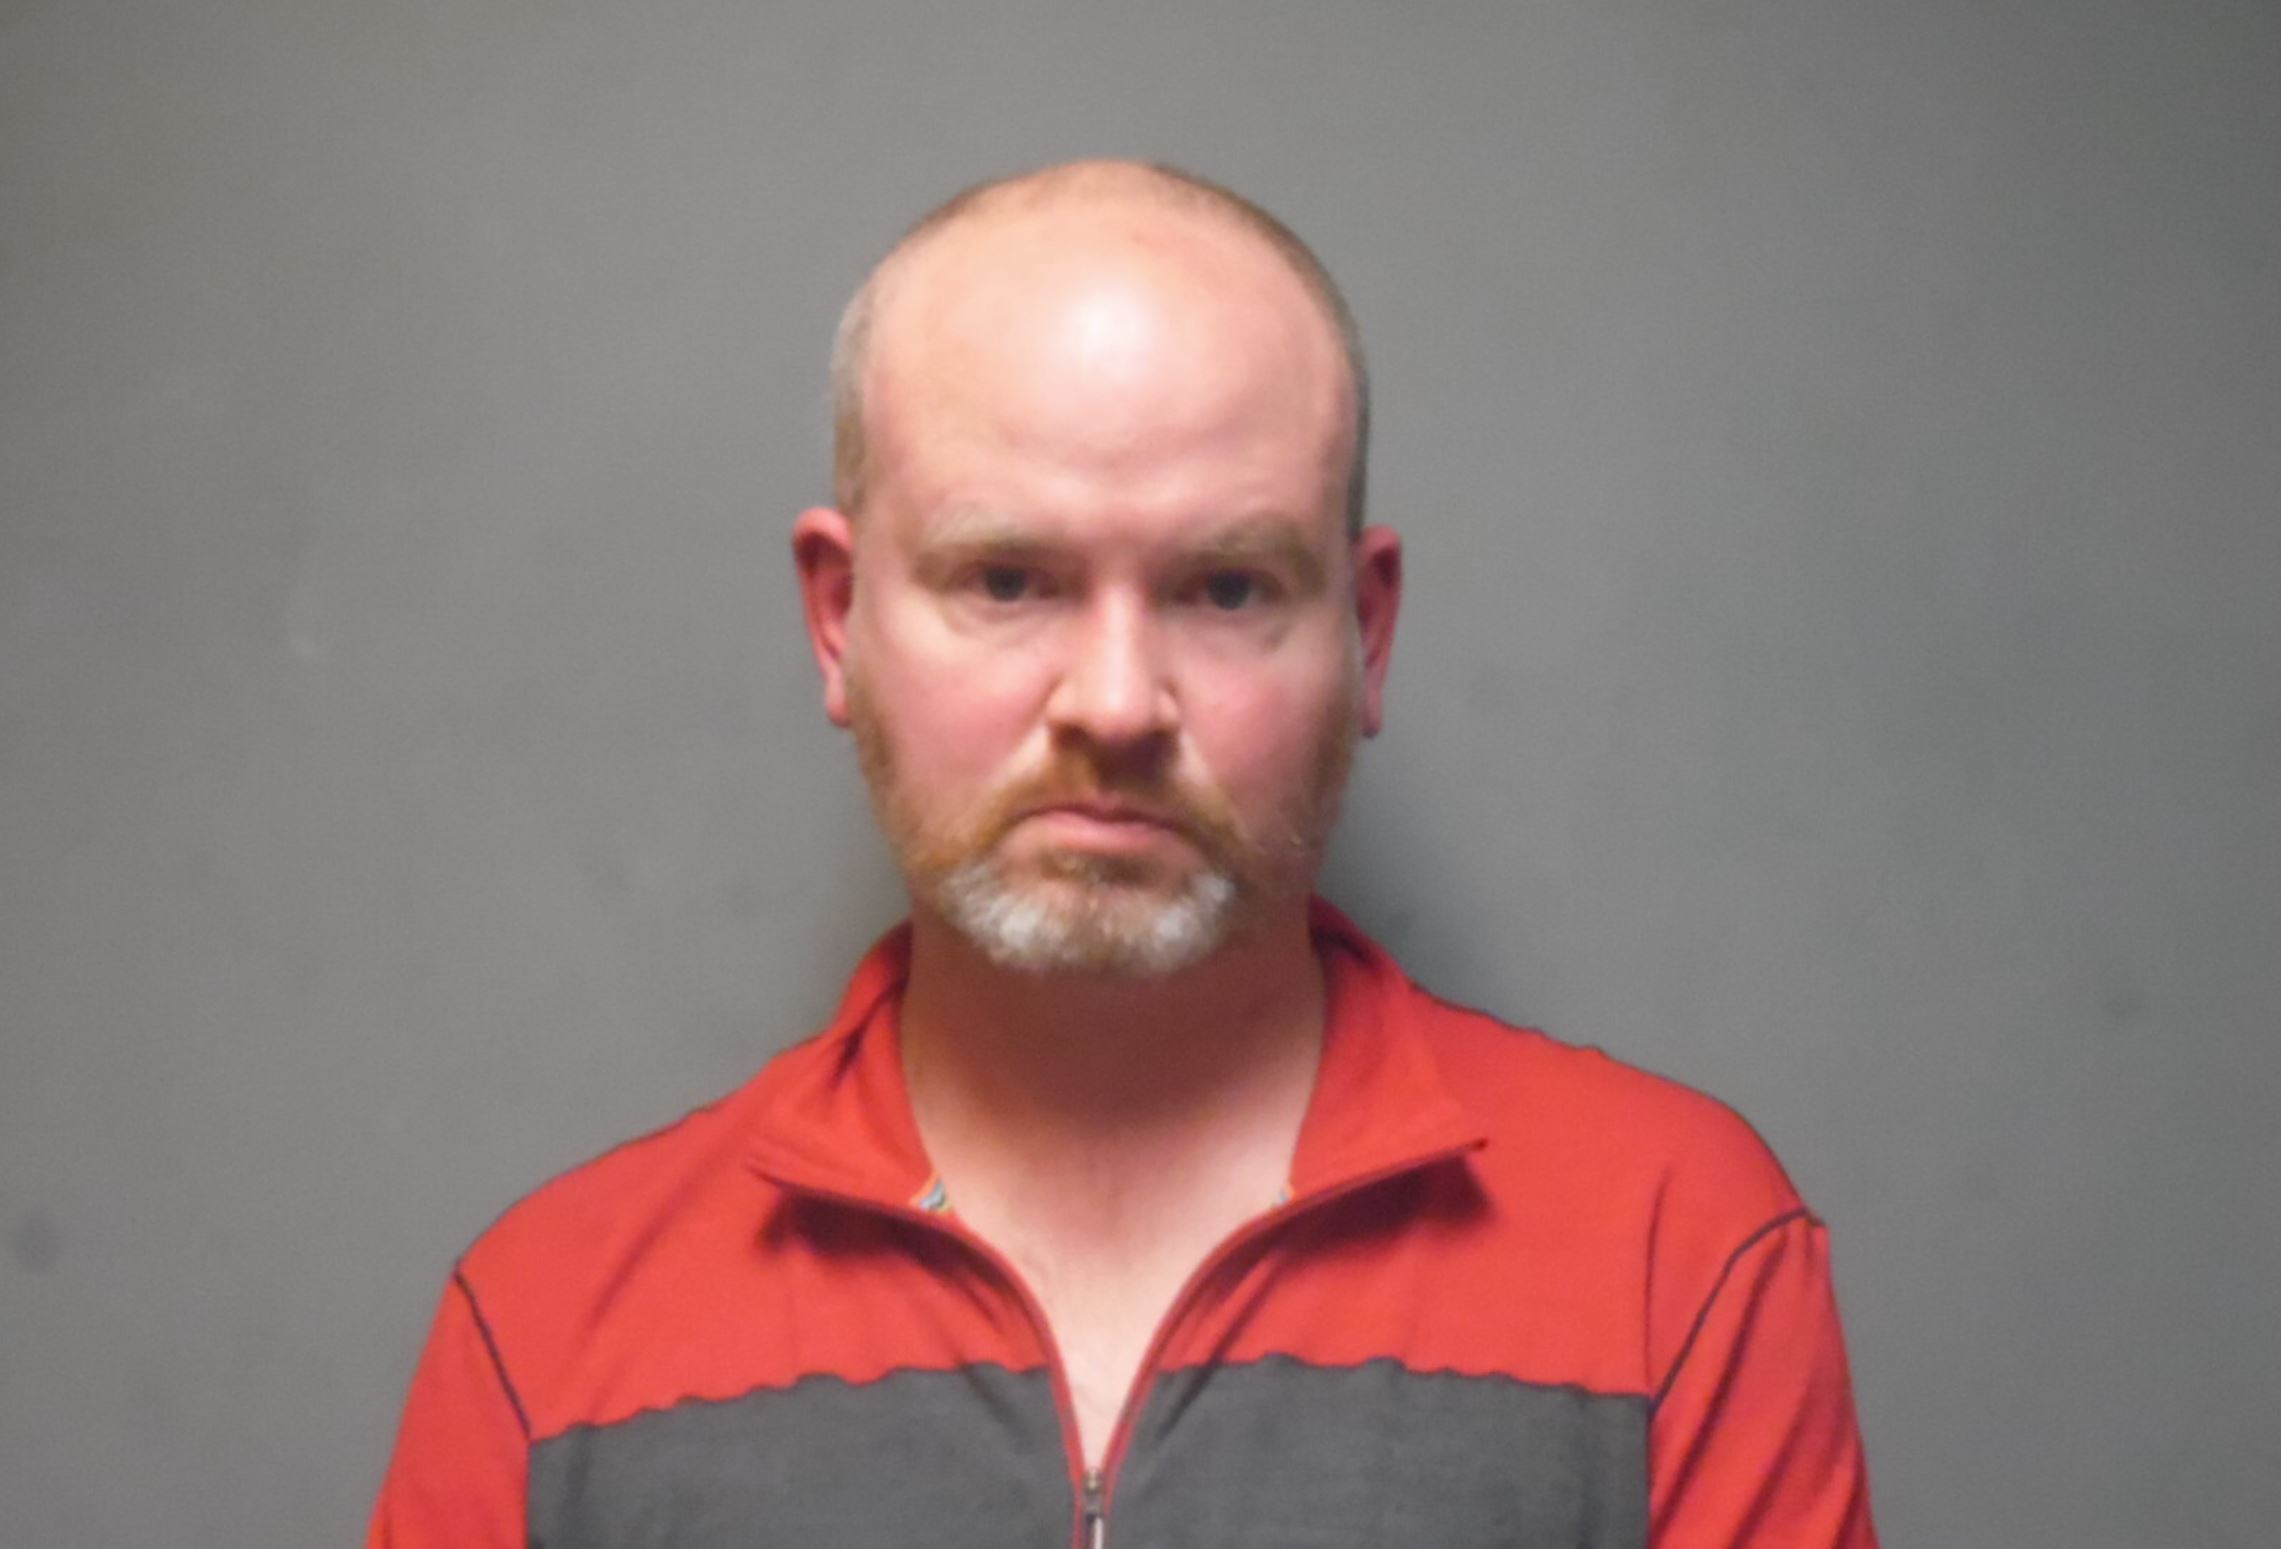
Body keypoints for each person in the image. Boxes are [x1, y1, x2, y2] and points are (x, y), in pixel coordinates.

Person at [366, 160, 1879, 1548]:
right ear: (839, 619)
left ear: (1364, 633)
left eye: (1225, 588)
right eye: (1006, 578)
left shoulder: (1673, 1256)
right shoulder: (549, 1335)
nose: (1113, 704)